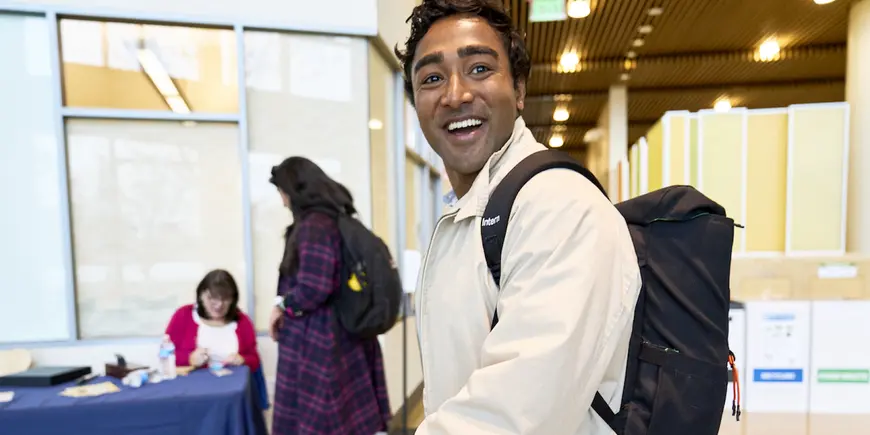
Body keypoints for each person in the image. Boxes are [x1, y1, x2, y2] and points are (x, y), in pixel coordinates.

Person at [395, 1, 642, 434]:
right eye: (432, 78)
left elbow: (517, 416)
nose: (456, 94)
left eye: (479, 69)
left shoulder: (559, 204)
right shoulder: (472, 211)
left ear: (520, 90)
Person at [266, 156, 391, 435]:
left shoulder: (313, 226)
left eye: (282, 192)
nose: (282, 201)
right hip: (339, 333)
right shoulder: (335, 219)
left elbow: (314, 287)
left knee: (319, 421)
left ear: (294, 190)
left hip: (317, 340)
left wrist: (282, 306)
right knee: (343, 420)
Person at [165, 269, 260, 371]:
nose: (219, 304)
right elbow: (166, 355)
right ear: (201, 296)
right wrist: (190, 358)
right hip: (191, 384)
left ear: (233, 300)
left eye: (225, 298)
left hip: (232, 384)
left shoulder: (242, 321)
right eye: (212, 298)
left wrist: (242, 360)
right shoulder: (183, 315)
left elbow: (254, 360)